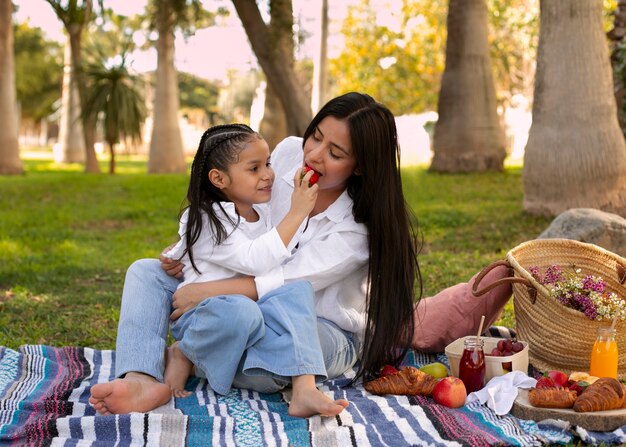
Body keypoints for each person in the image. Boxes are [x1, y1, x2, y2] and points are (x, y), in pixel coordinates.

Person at [89, 92, 419, 418]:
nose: (314, 155)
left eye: (334, 153)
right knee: (147, 273)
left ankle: (187, 353)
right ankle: (141, 378)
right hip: (243, 302)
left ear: (360, 167)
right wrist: (194, 254)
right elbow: (242, 216)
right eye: (315, 137)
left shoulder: (358, 229)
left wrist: (206, 291)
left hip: (316, 326)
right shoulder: (289, 153)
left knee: (273, 367)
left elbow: (287, 282)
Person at [159, 123, 337, 411]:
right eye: (254, 168)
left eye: (267, 163)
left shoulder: (261, 213)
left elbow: (277, 262)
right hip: (207, 316)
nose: (268, 174)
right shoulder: (207, 217)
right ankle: (185, 352)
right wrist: (298, 211)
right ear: (219, 178)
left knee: (298, 289)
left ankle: (304, 387)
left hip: (251, 311)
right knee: (243, 312)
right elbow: (256, 260)